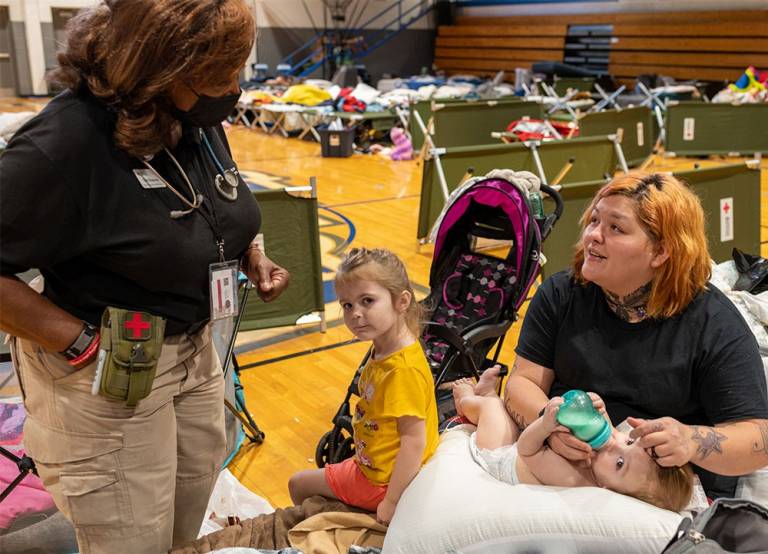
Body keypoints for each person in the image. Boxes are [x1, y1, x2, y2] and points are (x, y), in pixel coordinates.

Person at [0, 1, 289, 552]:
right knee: (131, 540)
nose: (234, 89)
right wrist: (81, 342)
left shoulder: (190, 115)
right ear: (161, 67)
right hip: (106, 371)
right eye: (219, 76)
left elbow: (207, 205)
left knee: (180, 531)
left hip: (196, 354)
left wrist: (250, 251)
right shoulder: (62, 146)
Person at [503, 172, 768, 500]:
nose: (593, 236)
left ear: (661, 252)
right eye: (594, 220)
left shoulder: (713, 323)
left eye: (616, 228)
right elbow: (522, 383)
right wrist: (550, 424)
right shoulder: (561, 294)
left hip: (659, 500)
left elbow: (759, 439)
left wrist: (690, 441)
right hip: (567, 475)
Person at [288, 248, 439, 525]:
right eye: (347, 305)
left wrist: (392, 502)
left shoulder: (402, 369)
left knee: (297, 484)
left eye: (367, 301)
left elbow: (414, 442)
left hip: (380, 481)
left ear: (402, 301)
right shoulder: (386, 348)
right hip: (373, 465)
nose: (355, 314)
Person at [452, 373, 694, 512]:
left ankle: (468, 399)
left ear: (610, 493)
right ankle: (487, 391)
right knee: (507, 415)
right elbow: (608, 428)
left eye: (620, 463)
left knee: (492, 410)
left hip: (501, 459)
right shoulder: (605, 459)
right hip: (520, 449)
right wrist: (599, 406)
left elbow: (527, 450)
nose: (615, 443)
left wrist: (546, 425)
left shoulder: (576, 480)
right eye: (630, 440)